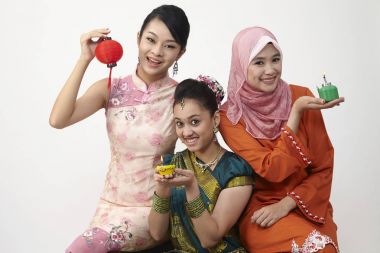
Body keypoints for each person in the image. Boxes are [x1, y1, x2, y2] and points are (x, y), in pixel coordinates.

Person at [49, 5, 190, 253]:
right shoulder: (112, 87)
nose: (156, 52)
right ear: (138, 38)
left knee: (81, 249)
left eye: (169, 46)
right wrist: (85, 58)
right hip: (108, 206)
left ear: (181, 52)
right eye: (151, 40)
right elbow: (58, 119)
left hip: (152, 208)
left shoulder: (181, 97)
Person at [219, 26, 345, 253]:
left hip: (307, 203)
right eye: (258, 62)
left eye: (275, 59)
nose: (270, 70)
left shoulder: (301, 95)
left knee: (325, 249)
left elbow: (323, 167)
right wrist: (295, 114)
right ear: (241, 64)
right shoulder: (230, 116)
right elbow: (272, 169)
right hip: (263, 210)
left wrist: (287, 204)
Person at [148, 76, 254, 253]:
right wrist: (162, 188)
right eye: (179, 123)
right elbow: (157, 233)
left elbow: (209, 240)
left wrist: (192, 187)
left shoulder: (235, 171)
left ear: (215, 120)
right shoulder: (174, 163)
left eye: (195, 121)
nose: (186, 132)